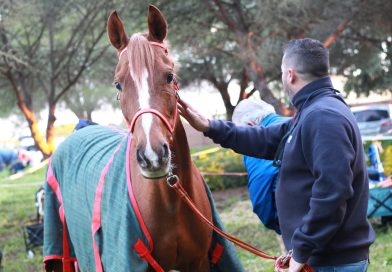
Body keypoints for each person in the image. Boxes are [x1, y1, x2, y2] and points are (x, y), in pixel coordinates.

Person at [178, 38, 375, 272]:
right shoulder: (312, 111)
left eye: (282, 73)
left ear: (290, 74)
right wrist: (210, 127)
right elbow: (264, 138)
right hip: (321, 258)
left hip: (329, 262)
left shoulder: (323, 117)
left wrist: (301, 253)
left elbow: (332, 192)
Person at [232, 99, 290, 234]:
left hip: (299, 227)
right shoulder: (296, 122)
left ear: (251, 126)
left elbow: (262, 202)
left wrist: (280, 226)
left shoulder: (252, 146)